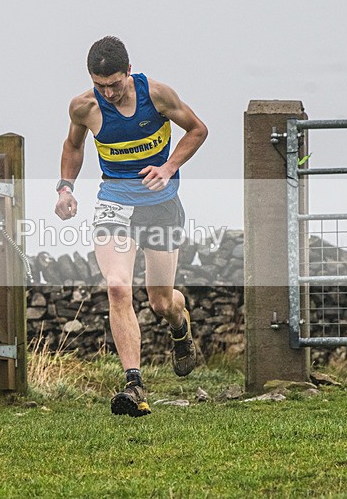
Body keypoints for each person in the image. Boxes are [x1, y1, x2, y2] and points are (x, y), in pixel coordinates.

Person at [54, 36, 208, 417]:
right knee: (119, 287)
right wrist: (65, 188)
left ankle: (180, 324)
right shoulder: (83, 107)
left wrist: (169, 168)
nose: (107, 92)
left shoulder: (156, 95)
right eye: (99, 85)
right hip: (114, 204)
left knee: (161, 301)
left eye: (115, 84)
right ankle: (134, 385)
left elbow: (198, 130)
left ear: (128, 71)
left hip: (160, 207)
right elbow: (73, 147)